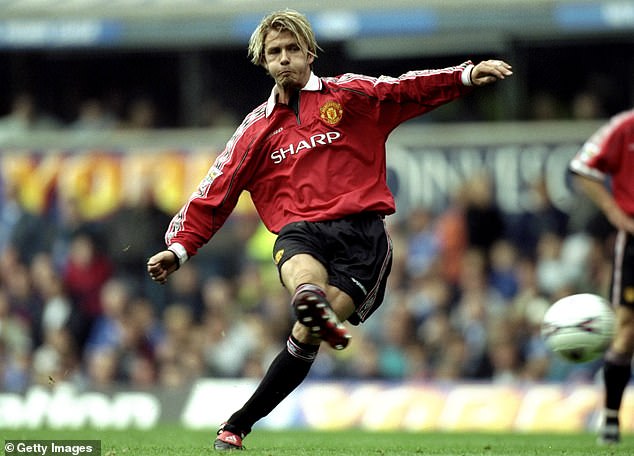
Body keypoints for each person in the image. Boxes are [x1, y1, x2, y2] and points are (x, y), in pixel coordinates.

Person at [146, 9, 512, 451]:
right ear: (264, 62)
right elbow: (216, 191)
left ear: (309, 54)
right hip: (302, 233)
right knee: (303, 276)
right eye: (274, 52)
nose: (284, 59)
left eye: (291, 50)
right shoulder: (255, 131)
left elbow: (408, 88)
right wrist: (179, 248)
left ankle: (242, 416)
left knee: (307, 335)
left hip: (363, 239)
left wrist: (466, 76)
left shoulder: (353, 96)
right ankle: (305, 305)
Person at [569, 108, 634, 445]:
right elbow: (582, 166)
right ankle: (610, 417)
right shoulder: (624, 128)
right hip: (633, 241)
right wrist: (612, 210)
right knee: (626, 333)